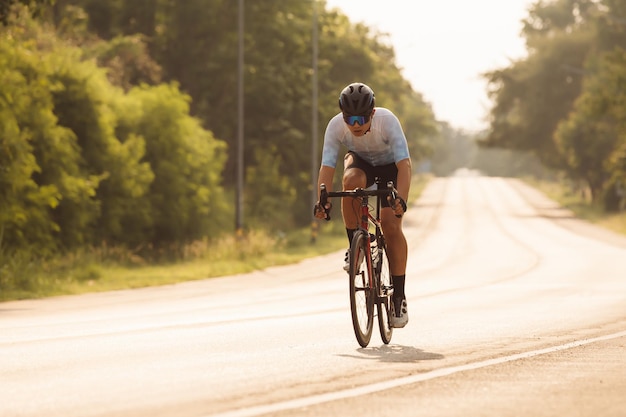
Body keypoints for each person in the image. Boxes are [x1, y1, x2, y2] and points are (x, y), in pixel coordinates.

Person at [313, 82, 412, 328]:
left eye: (361, 118)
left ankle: (398, 296)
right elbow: (327, 167)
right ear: (343, 116)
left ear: (372, 113)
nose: (355, 125)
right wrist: (322, 200)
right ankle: (355, 246)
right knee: (350, 182)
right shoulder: (336, 126)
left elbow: (404, 166)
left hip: (390, 167)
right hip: (362, 163)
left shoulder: (387, 121)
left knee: (390, 226)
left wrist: (401, 200)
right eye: (350, 118)